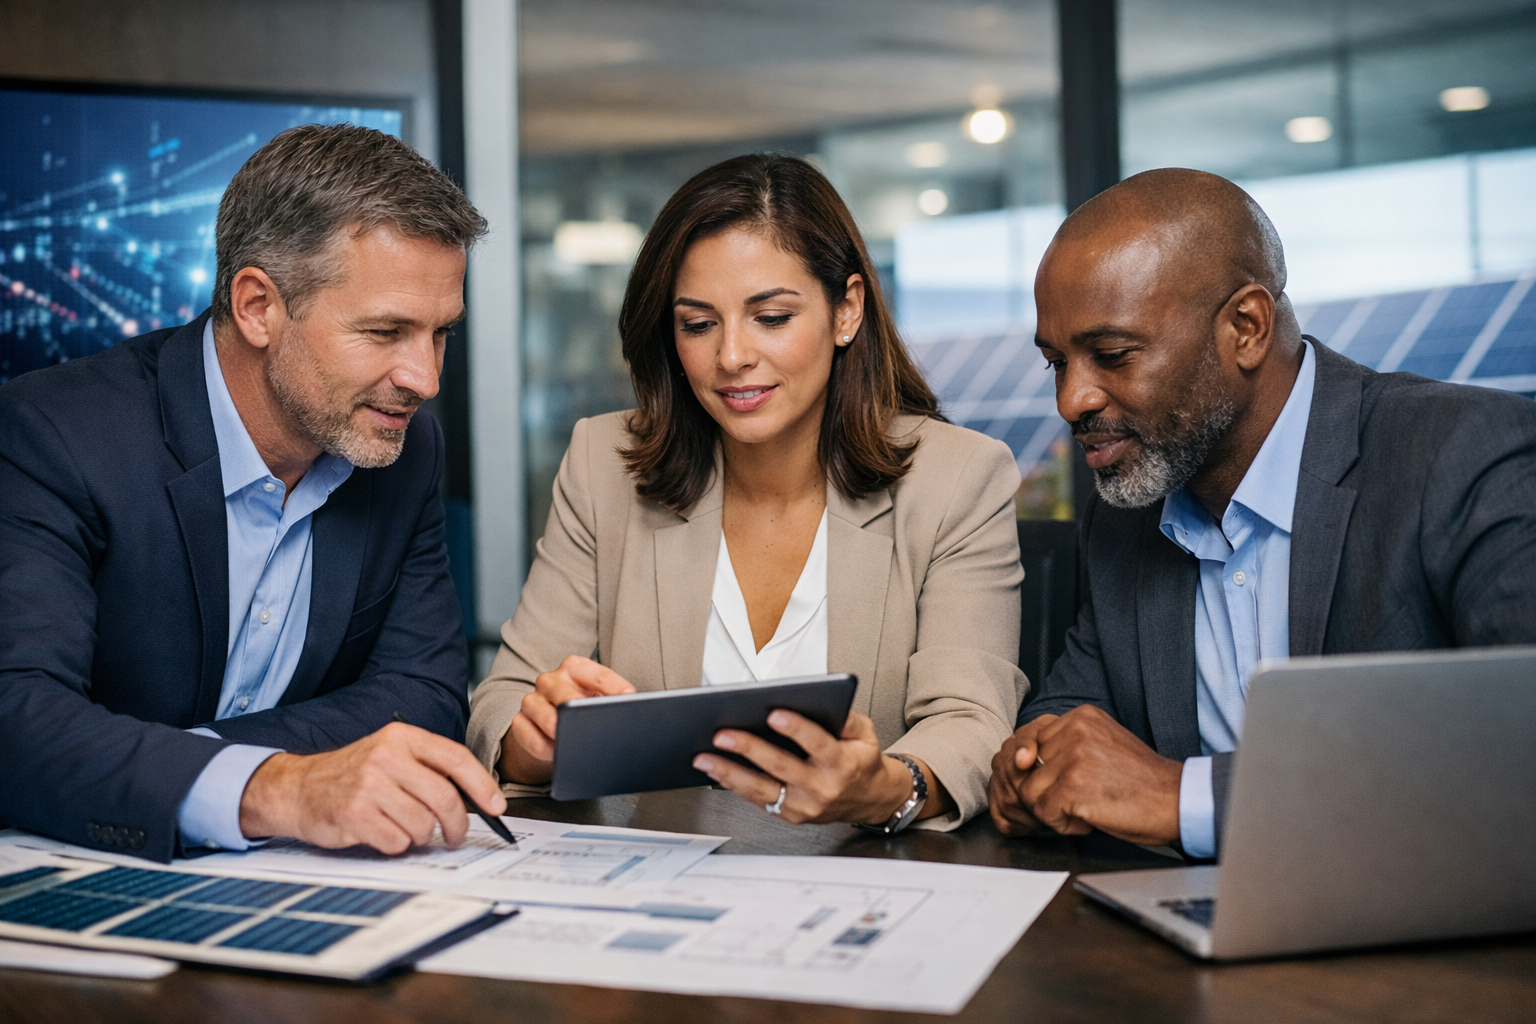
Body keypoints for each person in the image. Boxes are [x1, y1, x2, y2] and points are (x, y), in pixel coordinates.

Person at [987, 167, 1536, 858]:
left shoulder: (1459, 456)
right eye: (1055, 364)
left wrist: (1179, 796)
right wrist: (1035, 762)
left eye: (1112, 355)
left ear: (1246, 327)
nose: (1072, 401)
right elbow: (1074, 710)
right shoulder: (1124, 516)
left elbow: (1518, 755)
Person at [468, 154, 1026, 831]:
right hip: (656, 884)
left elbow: (969, 724)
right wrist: (532, 746)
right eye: (698, 324)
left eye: (771, 317)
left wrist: (888, 787)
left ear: (846, 310)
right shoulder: (602, 464)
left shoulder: (959, 478)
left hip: (863, 882)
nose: (731, 355)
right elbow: (502, 703)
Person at [0, 124, 507, 863]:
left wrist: (182, 769)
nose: (424, 380)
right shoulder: (56, 435)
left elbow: (423, 699)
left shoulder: (404, 450)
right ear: (258, 306)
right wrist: (275, 788)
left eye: (440, 335)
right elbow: (17, 716)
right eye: (386, 331)